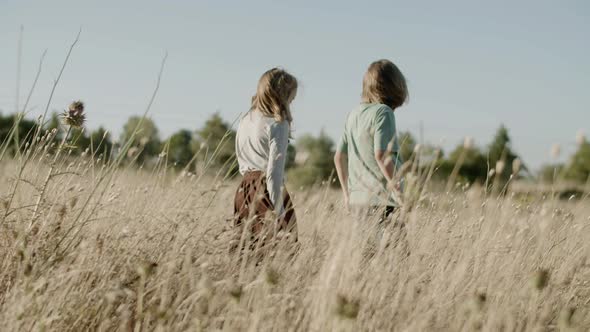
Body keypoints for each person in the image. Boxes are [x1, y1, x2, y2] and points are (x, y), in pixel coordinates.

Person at [334, 59, 408, 223]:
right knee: (396, 249)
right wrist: (401, 196)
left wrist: (347, 195)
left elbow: (338, 157)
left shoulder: (353, 114)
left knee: (367, 249)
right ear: (395, 86)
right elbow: (382, 155)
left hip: (357, 202)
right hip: (383, 201)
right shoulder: (384, 112)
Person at [233, 68, 298, 250]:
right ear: (282, 97)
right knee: (281, 255)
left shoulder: (246, 119)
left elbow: (241, 160)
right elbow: (273, 174)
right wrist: (281, 211)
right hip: (267, 191)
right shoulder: (278, 124)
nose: (291, 103)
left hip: (243, 190)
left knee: (246, 257)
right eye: (291, 99)